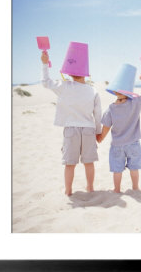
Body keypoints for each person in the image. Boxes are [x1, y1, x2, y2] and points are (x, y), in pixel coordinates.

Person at [41, 42, 102, 196]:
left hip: (71, 130)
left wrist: (44, 64)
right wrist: (98, 132)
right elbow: (98, 114)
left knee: (70, 163)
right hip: (88, 129)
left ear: (69, 72)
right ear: (85, 72)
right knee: (89, 162)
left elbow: (46, 82)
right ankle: (90, 187)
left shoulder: (64, 86)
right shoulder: (93, 90)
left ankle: (68, 190)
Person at [96, 63, 141, 193]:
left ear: (114, 90)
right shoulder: (135, 103)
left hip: (117, 145)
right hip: (133, 143)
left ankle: (116, 189)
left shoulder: (111, 109)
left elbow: (106, 129)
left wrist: (99, 138)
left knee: (117, 170)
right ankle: (135, 187)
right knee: (134, 168)